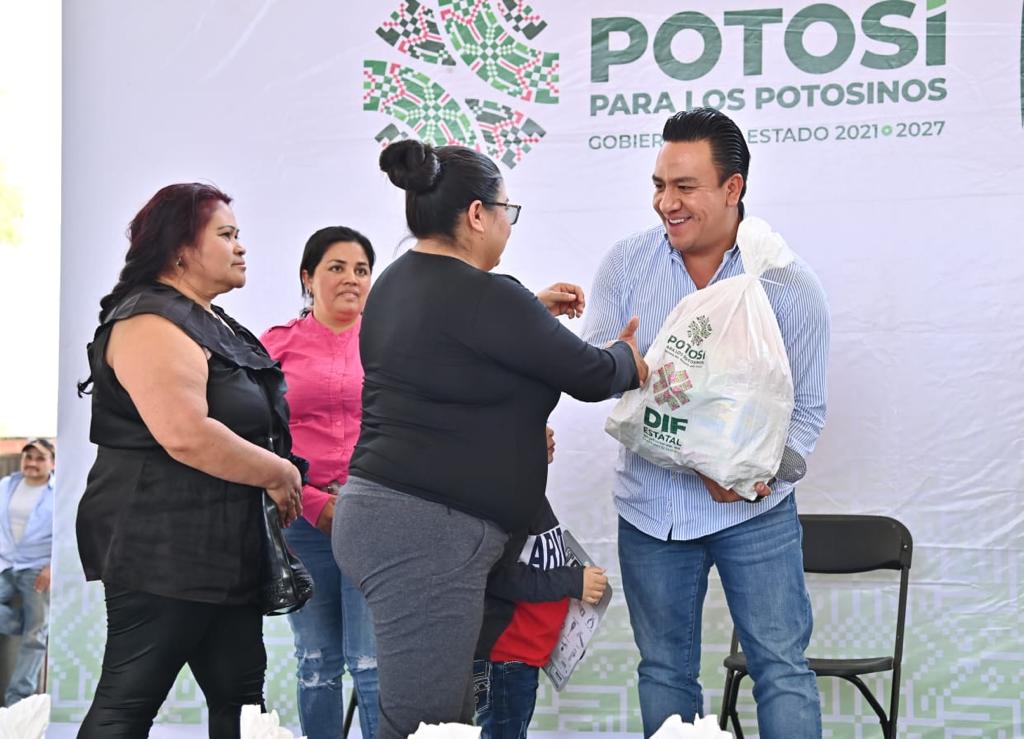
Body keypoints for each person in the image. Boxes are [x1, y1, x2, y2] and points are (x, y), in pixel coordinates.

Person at [332, 139, 648, 739]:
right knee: (424, 725)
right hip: (424, 533)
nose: (508, 223)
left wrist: (529, 312)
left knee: (445, 718)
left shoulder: (396, 284)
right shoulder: (487, 294)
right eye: (508, 210)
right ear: (478, 214)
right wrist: (630, 357)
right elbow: (592, 374)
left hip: (395, 520)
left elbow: (452, 360)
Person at [582, 108, 830, 738]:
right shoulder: (627, 265)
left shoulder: (785, 283)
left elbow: (806, 413)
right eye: (659, 185)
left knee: (780, 668)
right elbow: (591, 373)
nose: (667, 203)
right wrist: (615, 366)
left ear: (732, 188)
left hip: (755, 513)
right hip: (652, 511)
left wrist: (757, 478)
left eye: (685, 187)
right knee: (665, 671)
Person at [75, 183, 304, 739]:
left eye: (238, 234)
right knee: (128, 705)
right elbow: (185, 434)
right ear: (180, 249)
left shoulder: (209, 320)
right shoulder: (150, 321)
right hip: (162, 548)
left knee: (242, 703)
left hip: (223, 548)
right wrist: (278, 471)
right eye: (226, 235)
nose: (241, 246)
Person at [261, 226, 380, 739]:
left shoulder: (390, 342)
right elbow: (259, 437)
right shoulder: (273, 346)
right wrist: (312, 501)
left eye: (361, 269)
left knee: (371, 663)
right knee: (316, 660)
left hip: (374, 518)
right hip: (300, 520)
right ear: (308, 278)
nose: (351, 279)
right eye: (337, 267)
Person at [473, 428, 608, 739]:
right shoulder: (502, 499)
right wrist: (572, 581)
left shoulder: (526, 493)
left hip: (523, 656)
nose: (548, 433)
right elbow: (498, 576)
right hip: (504, 659)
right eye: (530, 424)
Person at [0, 438, 55, 705]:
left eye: (40, 458)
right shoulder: (6, 485)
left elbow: (68, 534)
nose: (32, 463)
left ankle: (17, 699)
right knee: (33, 628)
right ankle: (22, 623)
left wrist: (53, 567)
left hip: (37, 568)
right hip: (4, 563)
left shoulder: (59, 493)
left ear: (52, 463)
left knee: (35, 637)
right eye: (28, 457)